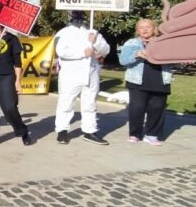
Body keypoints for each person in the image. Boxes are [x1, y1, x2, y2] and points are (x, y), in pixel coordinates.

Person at [54, 11, 111, 145]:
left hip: (91, 72)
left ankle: (89, 130)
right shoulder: (63, 33)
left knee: (90, 102)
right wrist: (82, 53)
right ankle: (62, 130)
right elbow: (60, 50)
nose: (79, 20)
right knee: (66, 102)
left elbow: (106, 50)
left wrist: (96, 42)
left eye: (81, 17)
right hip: (70, 72)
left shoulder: (93, 33)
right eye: (76, 17)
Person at [119, 19, 173, 146]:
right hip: (137, 81)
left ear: (154, 29)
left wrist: (185, 60)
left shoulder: (164, 42)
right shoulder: (131, 43)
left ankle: (152, 135)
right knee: (137, 108)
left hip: (160, 80)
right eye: (141, 28)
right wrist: (137, 54)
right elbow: (123, 60)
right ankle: (135, 134)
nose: (144, 30)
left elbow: (173, 60)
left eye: (147, 27)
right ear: (137, 30)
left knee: (157, 109)